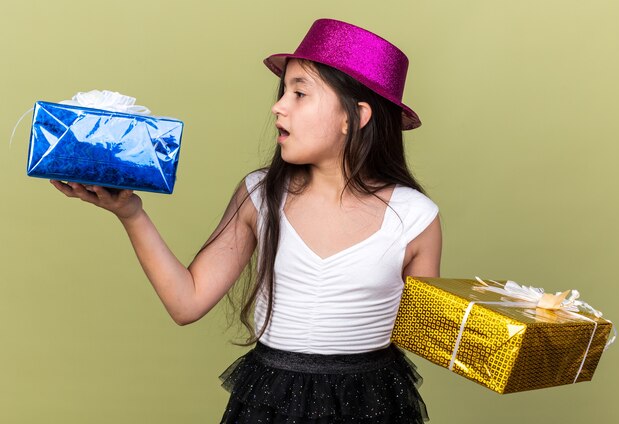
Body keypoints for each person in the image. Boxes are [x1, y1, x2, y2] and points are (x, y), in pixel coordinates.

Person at [51, 18, 441, 424]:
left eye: (300, 93)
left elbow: (429, 333)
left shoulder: (415, 217)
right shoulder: (260, 195)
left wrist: (504, 318)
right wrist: (131, 213)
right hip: (272, 399)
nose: (278, 106)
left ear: (354, 117)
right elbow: (187, 302)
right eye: (283, 91)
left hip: (370, 404)